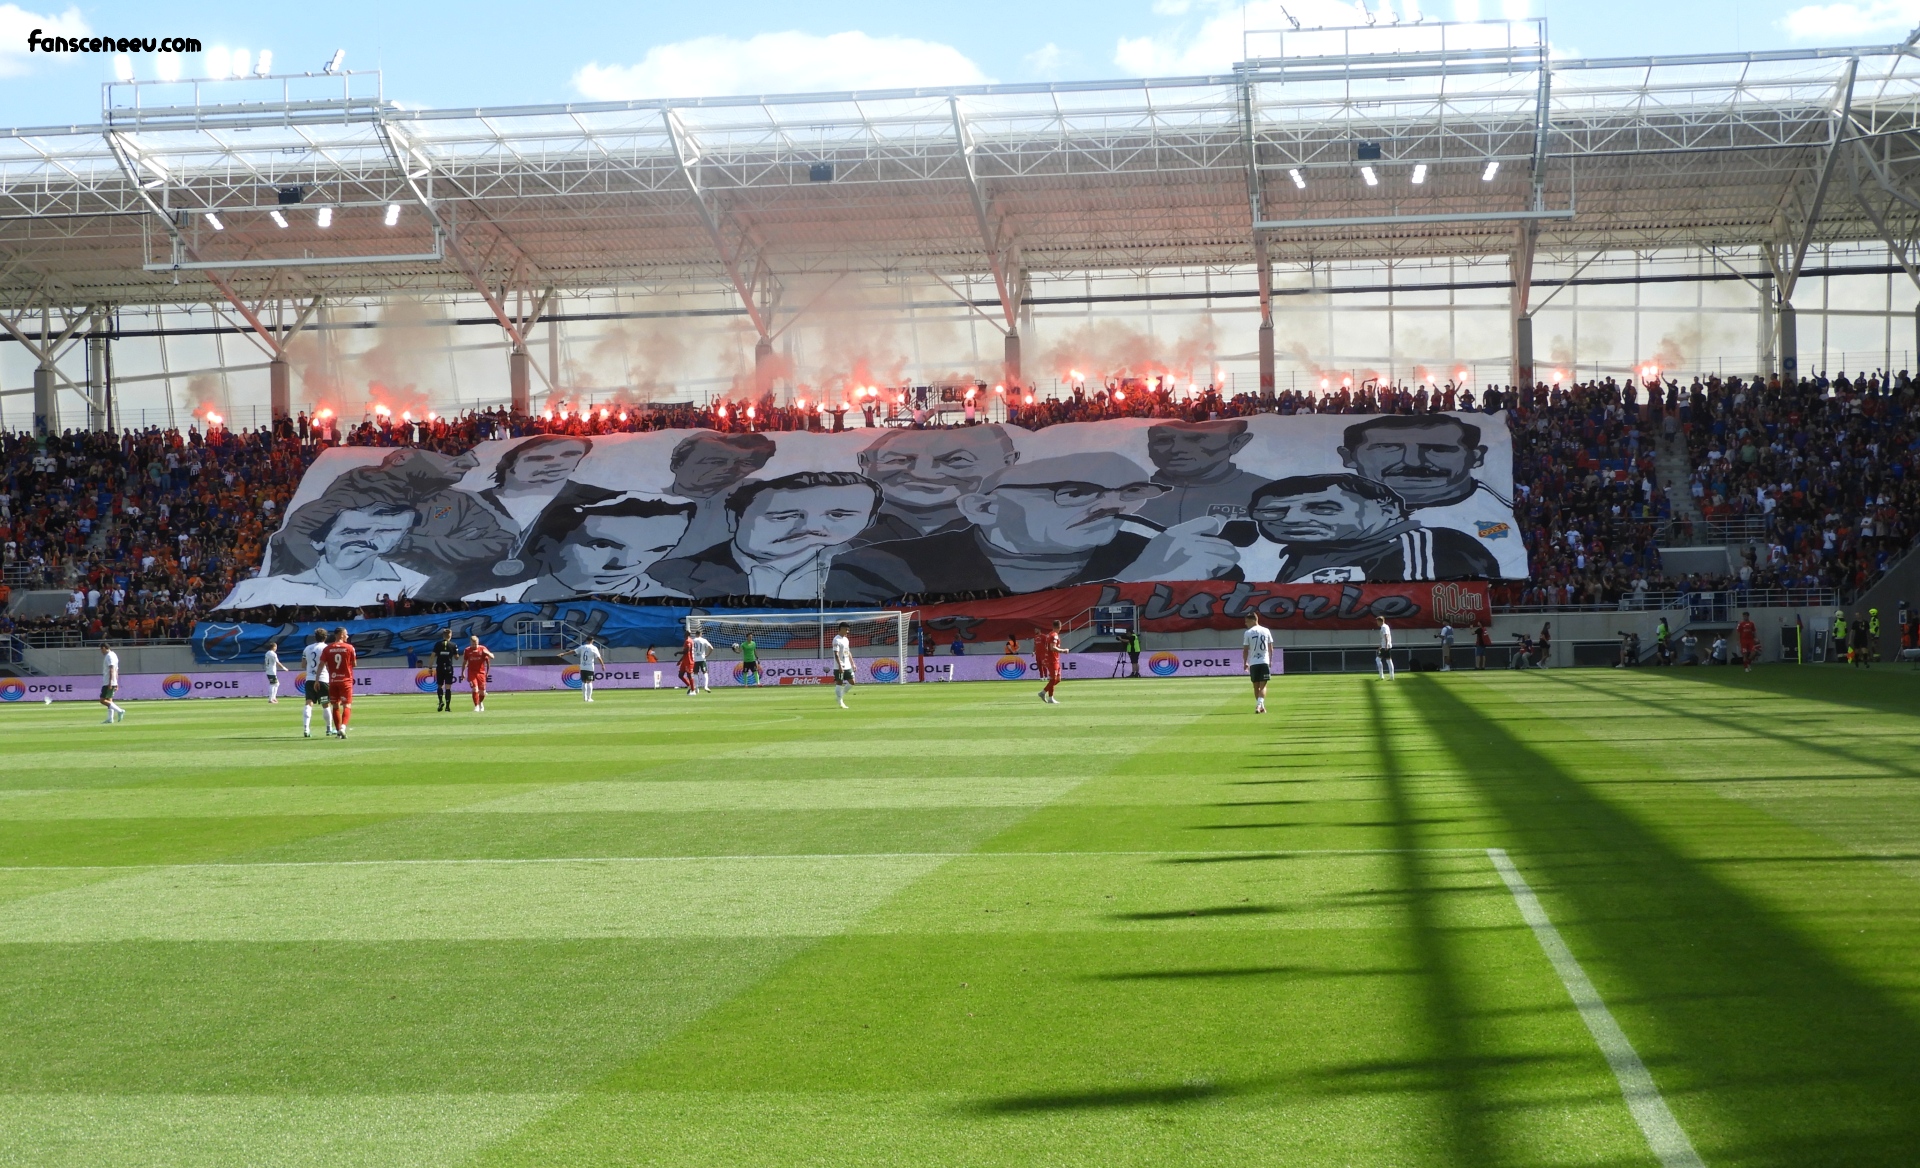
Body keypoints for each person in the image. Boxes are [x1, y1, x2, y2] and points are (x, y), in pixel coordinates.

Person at [828, 454, 1237, 601]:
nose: (1113, 504)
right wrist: (1130, 586)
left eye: (1131, 492)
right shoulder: (878, 568)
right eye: (1075, 493)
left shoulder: (1161, 555)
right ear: (984, 508)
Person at [1336, 413, 1524, 577]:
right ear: (1348, 457)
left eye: (1438, 449)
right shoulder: (1319, 518)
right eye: (1388, 447)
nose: (1414, 462)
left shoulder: (1500, 516)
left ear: (1476, 457)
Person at [650, 472, 881, 600]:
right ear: (734, 518)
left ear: (869, 520)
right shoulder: (663, 577)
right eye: (784, 516)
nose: (809, 527)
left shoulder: (889, 570)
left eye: (838, 515)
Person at [1240, 474, 1500, 583]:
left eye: (1323, 508)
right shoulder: (1303, 555)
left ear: (1387, 509)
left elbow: (1413, 602)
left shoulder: (1428, 545)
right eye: (1273, 512)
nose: (1291, 520)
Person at [476, 488, 694, 601]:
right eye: (601, 545)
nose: (624, 564)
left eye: (658, 550)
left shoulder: (678, 600)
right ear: (545, 545)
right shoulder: (490, 598)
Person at [223, 502, 427, 607]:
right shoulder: (252, 592)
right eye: (351, 532)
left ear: (399, 540)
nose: (367, 540)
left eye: (386, 532)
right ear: (318, 540)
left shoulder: (416, 584)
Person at [852, 425, 1019, 545]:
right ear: (864, 462)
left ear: (1008, 462)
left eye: (956, 460)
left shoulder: (1022, 532)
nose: (921, 473)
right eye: (898, 460)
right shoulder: (841, 533)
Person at [1135, 419, 1268, 527]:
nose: (1176, 449)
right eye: (1163, 440)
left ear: (1237, 443)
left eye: (1196, 439)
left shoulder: (1266, 494)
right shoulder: (1126, 493)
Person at [664, 431, 777, 555]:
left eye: (744, 463)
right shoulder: (650, 506)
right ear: (677, 463)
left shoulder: (758, 496)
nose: (729, 469)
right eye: (715, 461)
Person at [320, 627, 358, 739]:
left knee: (335, 705)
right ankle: (343, 728)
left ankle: (338, 731)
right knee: (347, 705)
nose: (348, 636)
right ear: (341, 634)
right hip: (346, 680)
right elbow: (354, 664)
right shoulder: (349, 647)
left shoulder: (328, 648)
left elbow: (322, 664)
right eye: (346, 634)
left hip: (333, 680)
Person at [1242, 613, 1274, 713]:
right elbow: (1270, 648)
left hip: (1254, 662)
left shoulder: (1248, 632)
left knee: (1256, 686)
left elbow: (1246, 649)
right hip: (1264, 661)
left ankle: (1259, 705)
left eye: (1247, 621)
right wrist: (1270, 660)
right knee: (1263, 685)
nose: (1245, 623)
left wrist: (1245, 662)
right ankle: (1260, 705)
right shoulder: (1266, 630)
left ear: (1253, 620)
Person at [301, 628, 330, 737]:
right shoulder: (326, 648)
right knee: (326, 704)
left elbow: (303, 665)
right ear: (325, 637)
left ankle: (306, 729)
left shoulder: (307, 648)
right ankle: (329, 729)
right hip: (323, 679)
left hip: (309, 679)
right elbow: (328, 664)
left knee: (309, 703)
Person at [461, 635, 494, 711]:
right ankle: (476, 706)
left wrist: (487, 653)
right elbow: (464, 662)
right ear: (470, 643)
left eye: (475, 644)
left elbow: (492, 657)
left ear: (478, 643)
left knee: (482, 692)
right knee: (475, 689)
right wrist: (463, 672)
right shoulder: (467, 650)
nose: (474, 646)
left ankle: (480, 702)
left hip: (481, 672)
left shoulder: (482, 649)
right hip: (471, 672)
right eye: (473, 644)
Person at [1036, 619, 1065, 704]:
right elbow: (1052, 647)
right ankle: (1050, 698)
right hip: (1052, 660)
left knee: (1058, 679)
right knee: (1053, 679)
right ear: (1060, 627)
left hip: (1055, 659)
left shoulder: (1050, 634)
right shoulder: (1054, 635)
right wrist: (1063, 650)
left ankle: (1043, 692)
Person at [430, 629, 458, 712]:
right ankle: (447, 707)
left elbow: (432, 656)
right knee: (448, 687)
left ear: (443, 635)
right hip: (449, 667)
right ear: (450, 635)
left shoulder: (438, 644)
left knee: (439, 685)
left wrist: (430, 667)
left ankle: (440, 701)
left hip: (440, 667)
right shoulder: (453, 645)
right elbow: (456, 657)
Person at [568, 637, 604, 702]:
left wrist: (564, 654)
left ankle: (584, 698)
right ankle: (589, 698)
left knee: (584, 682)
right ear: (592, 640)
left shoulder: (582, 647)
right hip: (590, 667)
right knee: (589, 682)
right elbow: (598, 657)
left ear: (587, 640)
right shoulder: (594, 648)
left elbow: (574, 651)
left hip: (582, 667)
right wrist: (602, 665)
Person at [98, 642, 125, 724]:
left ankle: (120, 710)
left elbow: (112, 669)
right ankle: (110, 719)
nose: (101, 652)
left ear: (104, 648)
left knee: (102, 700)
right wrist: (116, 682)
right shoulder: (114, 655)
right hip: (113, 681)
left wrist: (110, 682)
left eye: (101, 649)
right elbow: (117, 670)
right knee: (109, 700)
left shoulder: (109, 656)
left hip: (108, 681)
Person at [831, 621, 855, 709]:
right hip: (839, 666)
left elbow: (847, 652)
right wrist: (840, 665)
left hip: (847, 665)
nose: (847, 631)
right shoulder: (836, 640)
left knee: (852, 682)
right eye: (846, 629)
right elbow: (836, 654)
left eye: (848, 630)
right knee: (839, 683)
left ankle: (840, 696)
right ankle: (840, 701)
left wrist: (853, 663)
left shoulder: (846, 639)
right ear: (841, 629)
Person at [688, 627, 714, 693]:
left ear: (695, 634)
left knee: (695, 673)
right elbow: (711, 648)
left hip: (695, 659)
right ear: (701, 634)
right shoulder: (704, 640)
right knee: (705, 672)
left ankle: (696, 688)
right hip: (702, 659)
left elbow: (689, 650)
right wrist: (707, 655)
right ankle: (705, 686)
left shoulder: (692, 640)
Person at [1375, 616, 1396, 680]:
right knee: (1389, 661)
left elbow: (1386, 636)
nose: (1377, 623)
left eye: (1377, 621)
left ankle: (1381, 676)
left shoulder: (1384, 627)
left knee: (1378, 660)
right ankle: (1391, 676)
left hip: (1385, 647)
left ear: (1380, 621)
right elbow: (1383, 638)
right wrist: (1381, 646)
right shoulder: (1385, 626)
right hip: (1385, 646)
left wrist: (1386, 645)